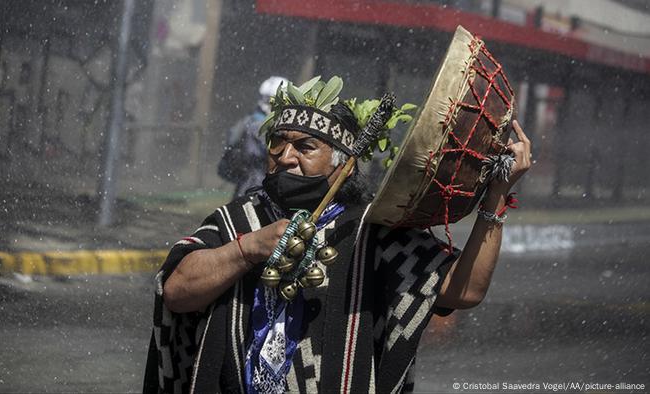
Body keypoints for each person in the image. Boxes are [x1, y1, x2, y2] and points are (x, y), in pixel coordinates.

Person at [143, 76, 531, 393]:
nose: (286, 156)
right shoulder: (239, 219)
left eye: (306, 146)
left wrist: (497, 195)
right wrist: (250, 249)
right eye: (278, 143)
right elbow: (176, 293)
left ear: (342, 165)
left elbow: (464, 291)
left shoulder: (366, 231)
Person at [218, 76, 289, 198]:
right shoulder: (259, 125)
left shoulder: (252, 121)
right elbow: (272, 154)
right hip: (256, 187)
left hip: (250, 184)